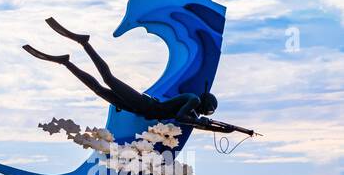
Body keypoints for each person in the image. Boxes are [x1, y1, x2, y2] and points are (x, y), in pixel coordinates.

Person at [23, 17, 254, 135]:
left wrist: (224, 129)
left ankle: (66, 63)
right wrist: (202, 122)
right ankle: (85, 43)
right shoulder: (192, 100)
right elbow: (182, 118)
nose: (202, 114)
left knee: (99, 90)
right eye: (206, 111)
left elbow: (191, 121)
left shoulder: (193, 109)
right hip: (143, 103)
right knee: (108, 79)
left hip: (137, 109)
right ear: (204, 103)